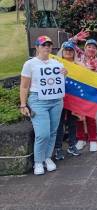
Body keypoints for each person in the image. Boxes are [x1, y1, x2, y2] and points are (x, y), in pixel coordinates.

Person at [20, 36, 66, 175]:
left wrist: (65, 74)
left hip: (56, 100)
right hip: (38, 101)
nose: (47, 47)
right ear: (37, 47)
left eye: (49, 45)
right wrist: (23, 104)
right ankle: (38, 162)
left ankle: (47, 157)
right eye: (43, 45)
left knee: (52, 132)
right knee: (42, 133)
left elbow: (58, 81)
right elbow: (24, 86)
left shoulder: (57, 63)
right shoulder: (30, 64)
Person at [69, 32, 97, 152]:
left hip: (90, 92)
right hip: (77, 91)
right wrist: (75, 38)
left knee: (90, 116)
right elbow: (69, 45)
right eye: (89, 46)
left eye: (94, 47)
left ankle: (93, 140)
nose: (91, 49)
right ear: (85, 47)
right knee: (78, 116)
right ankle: (81, 139)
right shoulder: (79, 56)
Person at [54, 41, 81, 160]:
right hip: (59, 98)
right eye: (66, 50)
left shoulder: (78, 65)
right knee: (59, 124)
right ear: (62, 51)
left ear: (74, 52)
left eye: (71, 50)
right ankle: (58, 148)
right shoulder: (55, 64)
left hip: (73, 98)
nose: (68, 52)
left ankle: (72, 145)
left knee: (72, 123)